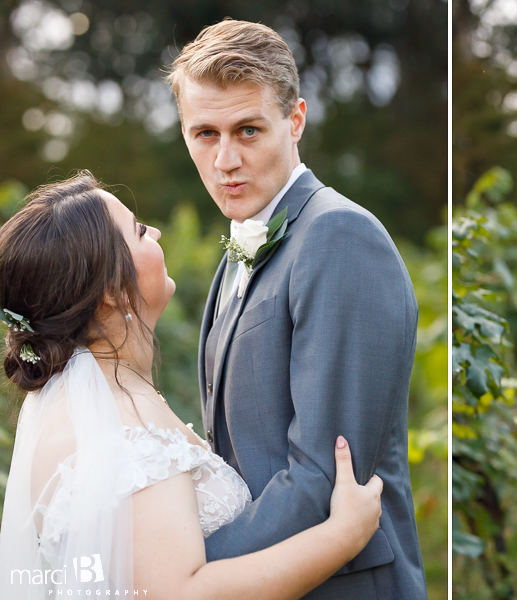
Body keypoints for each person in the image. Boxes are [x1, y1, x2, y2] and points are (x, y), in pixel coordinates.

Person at [0, 172, 383, 598]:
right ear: (112, 289)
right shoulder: (125, 429)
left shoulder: (79, 400)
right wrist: (343, 537)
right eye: (140, 231)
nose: (157, 232)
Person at [165, 19, 426, 599]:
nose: (225, 159)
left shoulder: (338, 236)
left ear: (296, 120)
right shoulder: (243, 242)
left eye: (248, 130)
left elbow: (321, 478)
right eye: (204, 134)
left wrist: (185, 573)